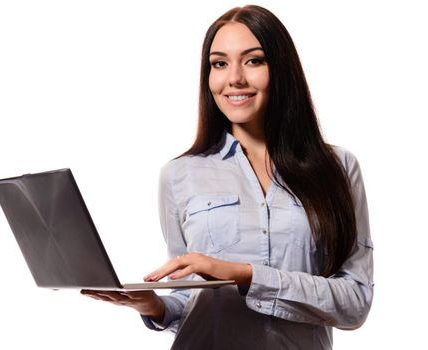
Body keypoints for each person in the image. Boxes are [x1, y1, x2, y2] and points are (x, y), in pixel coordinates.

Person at [81, 5, 373, 349]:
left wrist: (246, 276)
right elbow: (189, 299)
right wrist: (157, 306)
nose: (234, 78)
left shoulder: (337, 167)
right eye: (219, 63)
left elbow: (355, 301)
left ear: (282, 69)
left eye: (253, 60)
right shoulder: (179, 175)